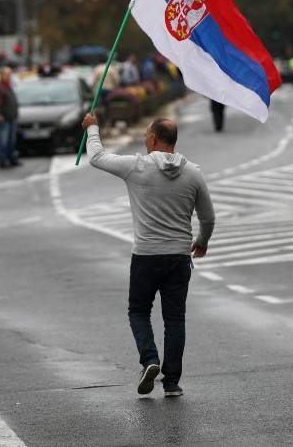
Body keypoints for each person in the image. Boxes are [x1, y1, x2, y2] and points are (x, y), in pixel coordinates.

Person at [82, 113, 215, 398]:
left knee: (139, 311)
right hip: (179, 257)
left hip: (146, 256)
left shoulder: (136, 167)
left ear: (153, 138)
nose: (144, 139)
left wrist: (92, 127)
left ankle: (150, 359)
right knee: (175, 319)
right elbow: (208, 217)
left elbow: (96, 157)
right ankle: (172, 383)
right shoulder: (193, 172)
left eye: (145, 135)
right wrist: (202, 241)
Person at [0, 67, 20, 169]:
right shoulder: (0, 88)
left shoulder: (8, 86)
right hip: (4, 118)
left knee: (11, 140)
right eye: (6, 74)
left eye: (10, 74)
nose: (8, 76)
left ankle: (11, 158)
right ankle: (2, 160)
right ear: (2, 75)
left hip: (11, 117)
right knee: (3, 141)